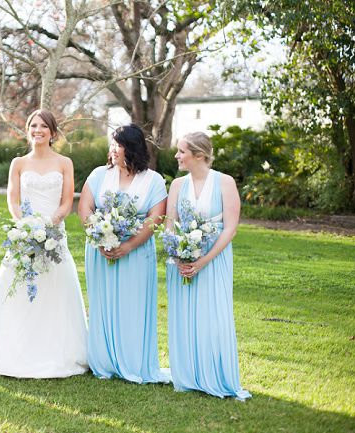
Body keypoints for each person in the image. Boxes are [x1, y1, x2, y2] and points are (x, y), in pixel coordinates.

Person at [0, 109, 88, 378]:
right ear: (28, 129)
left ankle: (56, 352)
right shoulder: (18, 163)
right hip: (24, 234)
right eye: (33, 125)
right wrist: (26, 227)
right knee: (19, 289)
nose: (38, 130)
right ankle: (12, 351)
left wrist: (49, 226)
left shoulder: (64, 163)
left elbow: (68, 201)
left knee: (56, 289)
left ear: (53, 133)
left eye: (43, 126)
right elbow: (13, 200)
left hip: (54, 233)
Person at [78, 124, 170, 384]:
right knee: (103, 304)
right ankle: (103, 361)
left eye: (118, 145)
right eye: (112, 144)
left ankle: (132, 360)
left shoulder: (153, 180)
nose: (113, 150)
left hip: (137, 254)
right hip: (100, 252)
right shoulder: (99, 175)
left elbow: (156, 218)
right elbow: (85, 208)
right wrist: (99, 237)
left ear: (132, 148)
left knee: (133, 305)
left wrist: (128, 245)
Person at [166, 132, 251, 400]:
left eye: (181, 151)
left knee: (213, 317)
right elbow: (170, 224)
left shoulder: (224, 182)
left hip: (214, 259)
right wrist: (178, 255)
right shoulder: (178, 185)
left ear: (199, 155)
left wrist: (203, 260)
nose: (177, 156)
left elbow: (231, 228)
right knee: (185, 316)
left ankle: (215, 375)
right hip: (181, 262)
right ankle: (189, 375)